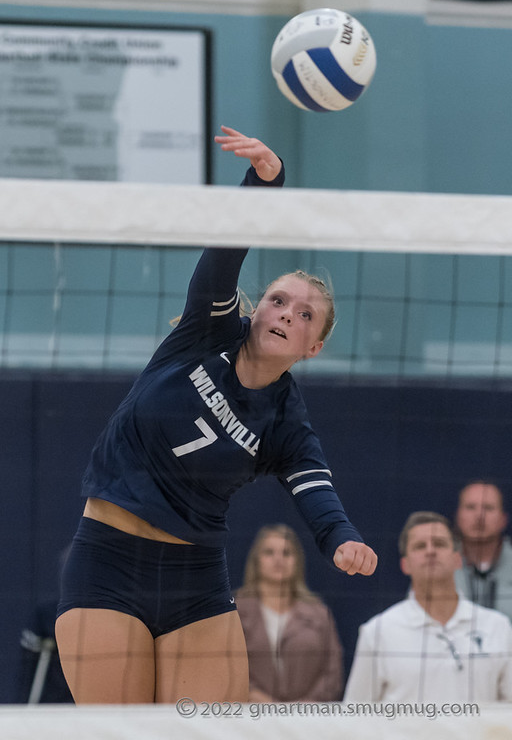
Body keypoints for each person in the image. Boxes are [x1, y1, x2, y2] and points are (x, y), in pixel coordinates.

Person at [55, 125, 377, 705]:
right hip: (109, 557)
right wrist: (265, 181)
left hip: (195, 579)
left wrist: (344, 541)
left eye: (306, 315)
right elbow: (225, 249)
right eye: (278, 300)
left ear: (313, 348)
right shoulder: (206, 330)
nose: (286, 313)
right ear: (258, 311)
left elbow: (317, 496)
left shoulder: (286, 422)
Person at [344, 511, 512, 703]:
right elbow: (354, 717)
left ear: (458, 559)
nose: (430, 551)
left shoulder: (497, 627)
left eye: (439, 544)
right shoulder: (378, 632)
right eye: (420, 546)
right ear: (405, 564)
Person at [236, 524, 343, 702]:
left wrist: (300, 709)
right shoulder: (235, 612)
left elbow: (332, 675)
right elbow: (227, 668)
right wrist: (257, 699)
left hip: (307, 720)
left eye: (286, 553)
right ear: (256, 560)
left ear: (297, 561)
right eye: (269, 552)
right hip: (250, 717)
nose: (279, 559)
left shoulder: (319, 614)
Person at [454, 479, 512, 620]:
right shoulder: (436, 565)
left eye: (488, 508)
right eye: (470, 507)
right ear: (457, 516)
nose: (479, 516)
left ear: (503, 519)